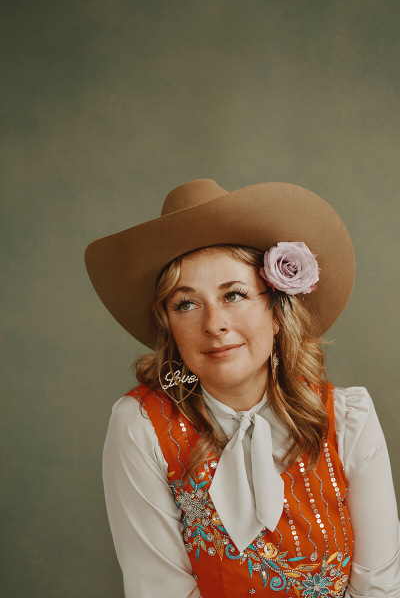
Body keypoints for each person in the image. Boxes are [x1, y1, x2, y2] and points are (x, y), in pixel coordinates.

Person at [84, 179, 400, 598]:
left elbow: (379, 587)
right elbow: (159, 589)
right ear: (169, 327)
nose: (214, 324)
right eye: (186, 303)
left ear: (276, 312)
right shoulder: (140, 425)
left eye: (233, 295)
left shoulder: (348, 419)